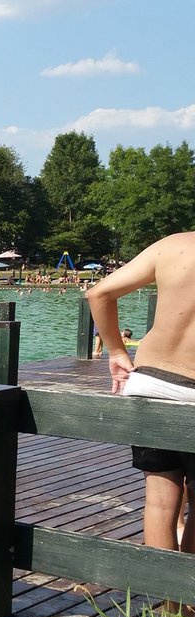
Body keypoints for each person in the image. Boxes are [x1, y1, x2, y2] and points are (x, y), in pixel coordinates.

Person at [87, 231, 195, 558]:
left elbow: (99, 293)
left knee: (160, 502)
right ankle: (189, 607)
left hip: (148, 382)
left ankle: (169, 606)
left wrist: (116, 352)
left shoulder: (172, 246)